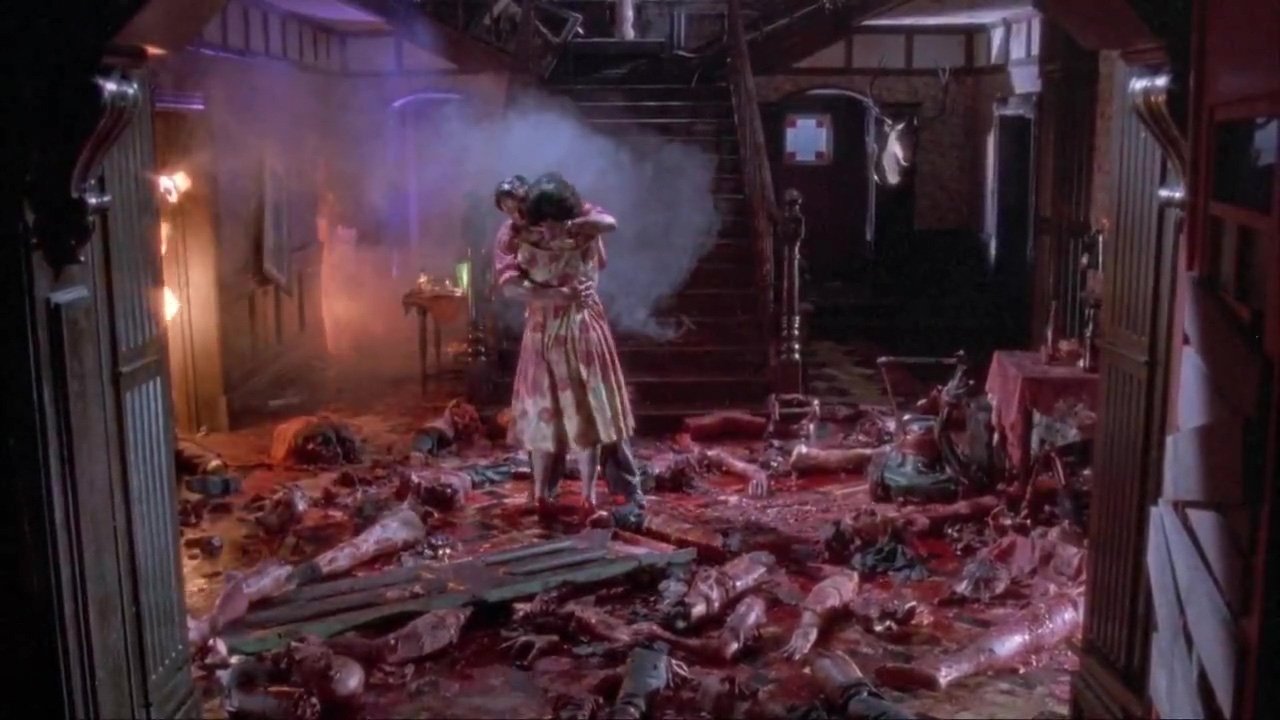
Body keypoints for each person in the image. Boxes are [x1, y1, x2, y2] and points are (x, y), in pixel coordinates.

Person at [492, 172, 645, 516]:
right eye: (507, 209)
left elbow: (607, 225)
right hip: (543, 327)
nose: (515, 213)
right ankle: (544, 491)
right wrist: (559, 294)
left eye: (518, 204)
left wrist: (575, 228)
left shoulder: (574, 219)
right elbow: (511, 286)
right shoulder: (511, 235)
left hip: (581, 324)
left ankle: (623, 489)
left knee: (596, 407)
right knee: (543, 411)